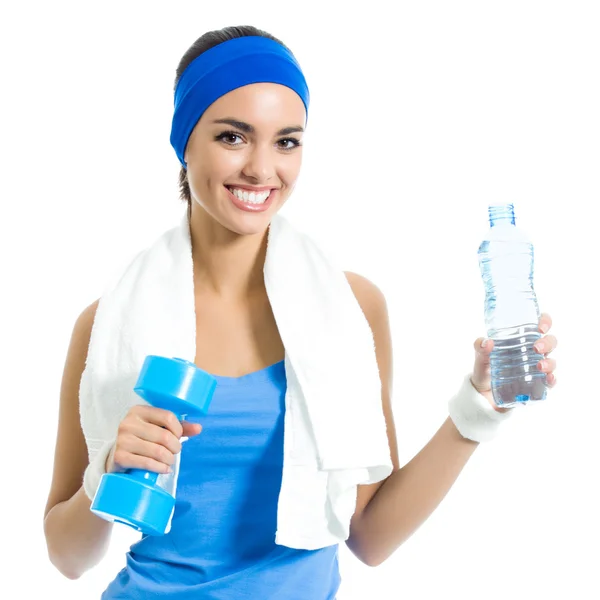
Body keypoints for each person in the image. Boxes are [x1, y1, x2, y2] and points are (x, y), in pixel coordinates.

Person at [43, 24, 559, 599]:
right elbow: (66, 556)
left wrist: (481, 407)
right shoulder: (107, 324)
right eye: (234, 137)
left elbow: (371, 536)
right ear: (183, 141)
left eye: (286, 141)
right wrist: (108, 471)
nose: (263, 170)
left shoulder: (351, 309)